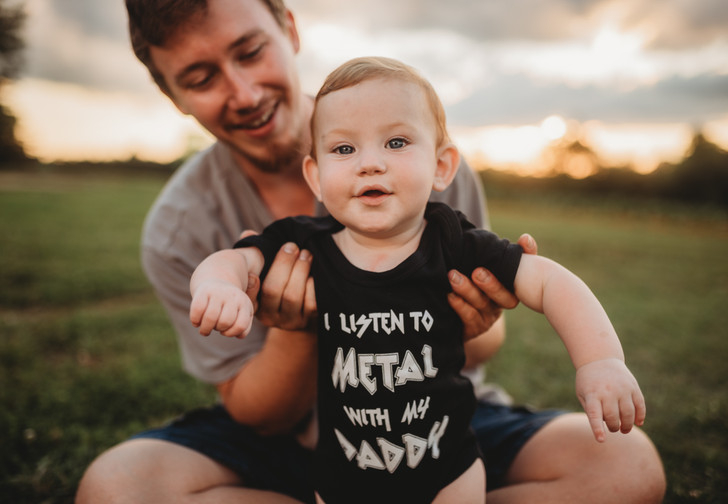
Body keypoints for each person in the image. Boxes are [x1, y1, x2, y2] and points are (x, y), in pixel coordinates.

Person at [75, 1, 666, 503]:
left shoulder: (430, 198)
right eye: (201, 78)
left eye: (250, 50)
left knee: (627, 464)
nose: (244, 92)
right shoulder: (196, 227)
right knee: (115, 487)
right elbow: (254, 383)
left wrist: (597, 360)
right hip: (292, 438)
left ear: (289, 28)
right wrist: (229, 289)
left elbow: (533, 296)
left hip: (434, 424)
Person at [188, 56, 647, 504]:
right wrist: (220, 285)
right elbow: (233, 260)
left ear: (443, 166)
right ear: (316, 176)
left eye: (396, 142)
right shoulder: (306, 244)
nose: (369, 163)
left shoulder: (455, 241)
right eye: (344, 149)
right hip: (343, 473)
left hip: (449, 469)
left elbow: (548, 281)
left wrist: (599, 360)